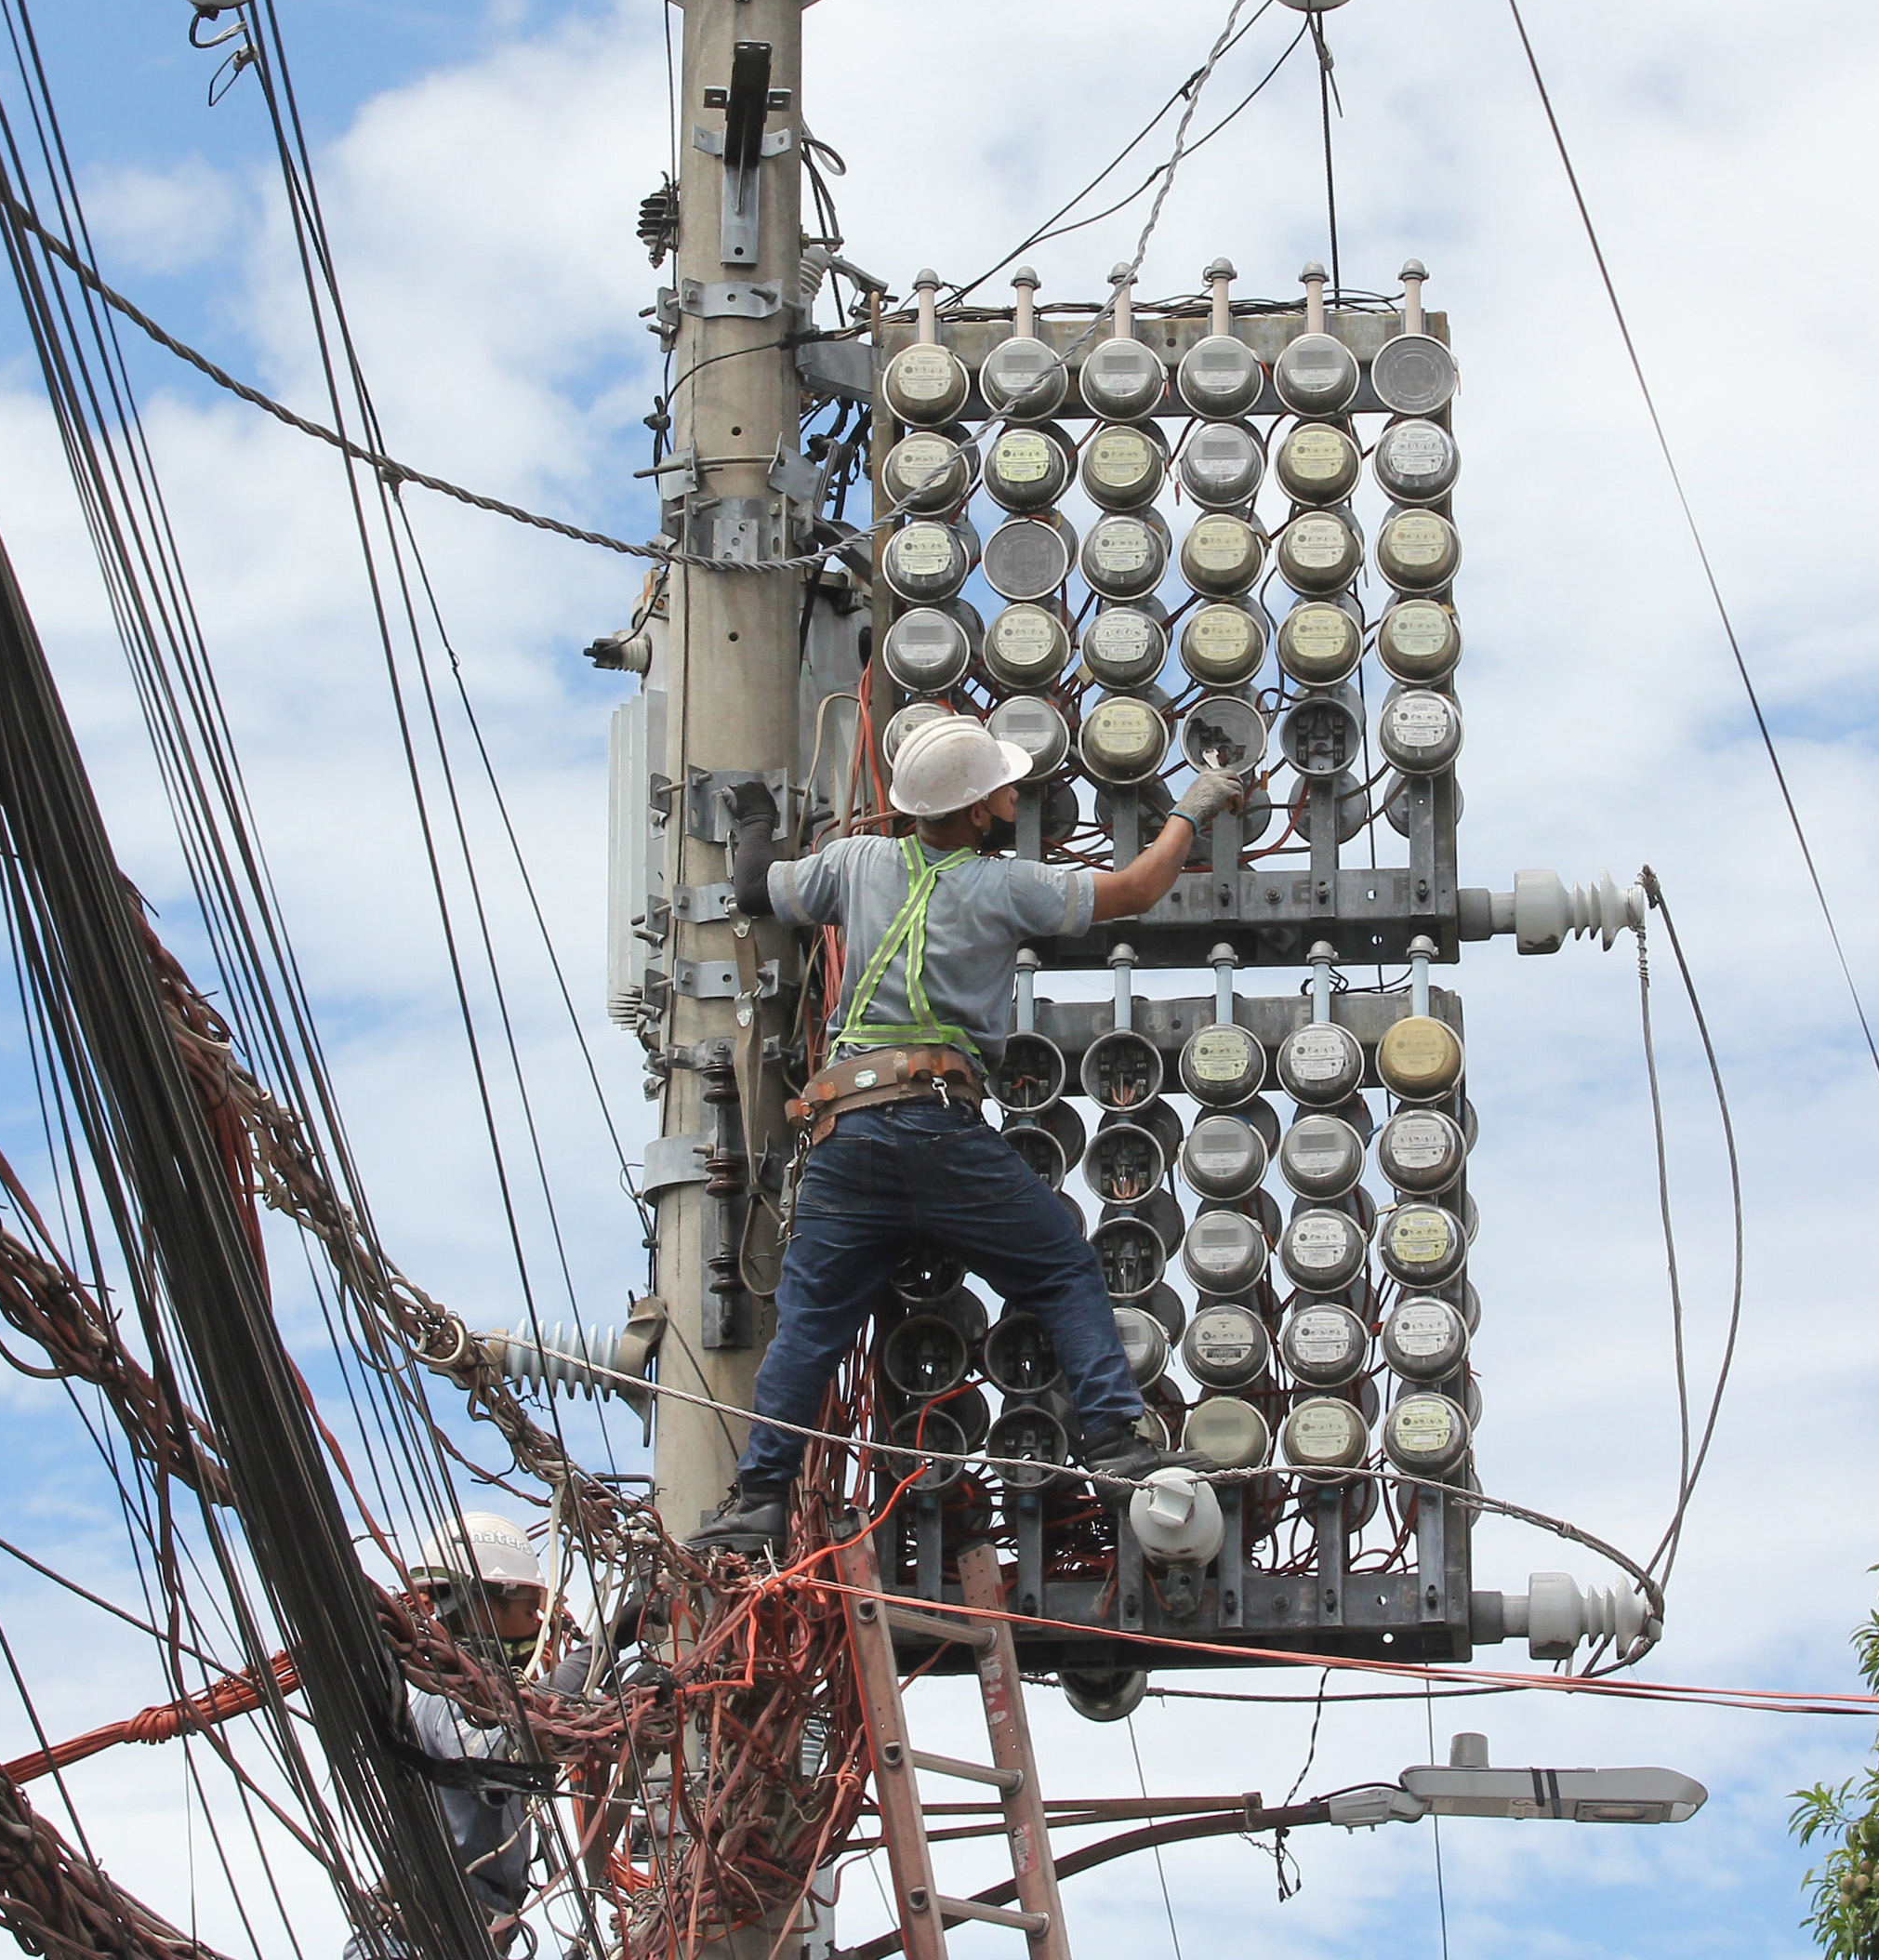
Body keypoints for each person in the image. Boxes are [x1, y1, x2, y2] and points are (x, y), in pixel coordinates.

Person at [688, 716, 1252, 1552]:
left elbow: (753, 888)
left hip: (842, 1133)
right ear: (982, 807)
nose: (1013, 794)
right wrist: (1197, 807)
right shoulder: (1004, 885)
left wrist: (755, 815)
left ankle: (759, 1499)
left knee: (810, 1329)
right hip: (936, 1125)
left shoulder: (855, 862)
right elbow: (1133, 890)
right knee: (1060, 1267)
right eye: (1003, 787)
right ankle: (1114, 1444)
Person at [350, 1513, 574, 1959]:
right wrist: (601, 1650)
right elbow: (499, 1766)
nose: (538, 1626)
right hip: (422, 1940)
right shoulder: (453, 1700)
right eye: (529, 1609)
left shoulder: (473, 1701)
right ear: (481, 1604)